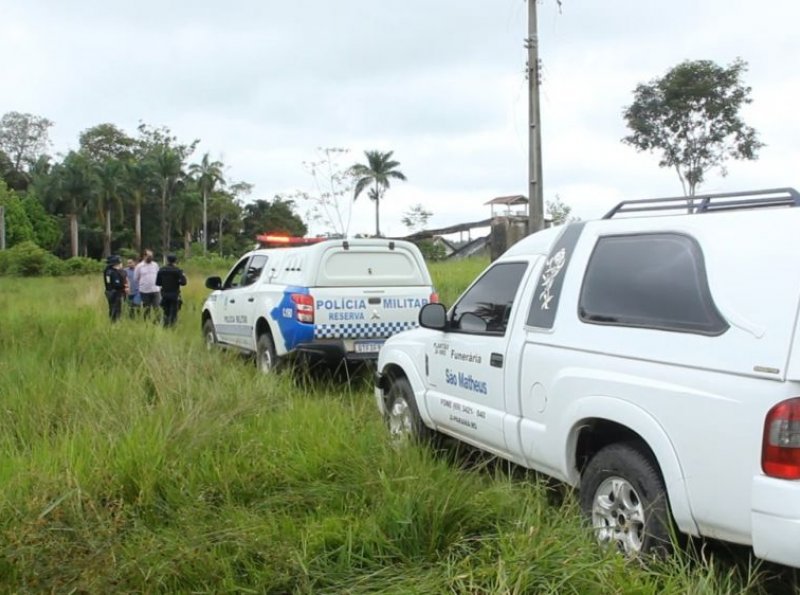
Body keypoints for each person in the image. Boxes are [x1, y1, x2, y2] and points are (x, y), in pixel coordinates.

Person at [156, 254, 187, 328]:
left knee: (165, 312)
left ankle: (165, 326)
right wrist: (178, 281)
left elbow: (157, 283)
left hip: (164, 294)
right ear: (175, 261)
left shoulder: (161, 270)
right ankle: (172, 327)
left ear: (167, 260)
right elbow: (184, 283)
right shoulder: (178, 270)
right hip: (174, 294)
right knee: (173, 312)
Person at [135, 249, 160, 320]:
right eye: (149, 256)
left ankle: (158, 322)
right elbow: (136, 278)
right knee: (146, 309)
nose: (150, 257)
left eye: (151, 256)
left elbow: (158, 275)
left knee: (157, 307)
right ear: (144, 256)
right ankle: (147, 323)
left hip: (155, 290)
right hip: (144, 291)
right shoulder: (139, 266)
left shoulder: (155, 265)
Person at [102, 255, 126, 323]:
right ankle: (115, 323)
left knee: (112, 308)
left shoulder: (107, 271)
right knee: (116, 309)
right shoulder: (114, 272)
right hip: (115, 293)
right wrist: (124, 287)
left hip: (109, 292)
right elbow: (117, 284)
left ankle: (112, 322)